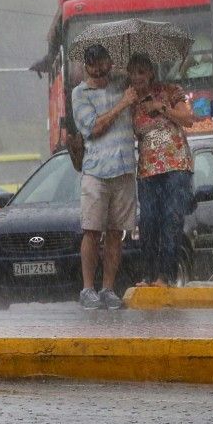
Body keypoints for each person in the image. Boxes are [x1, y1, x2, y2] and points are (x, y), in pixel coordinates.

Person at [71, 44, 138, 310]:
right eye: (93, 69)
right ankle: (88, 288)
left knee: (115, 232)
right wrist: (122, 104)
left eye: (103, 66)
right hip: (97, 170)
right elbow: (94, 127)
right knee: (91, 231)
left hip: (123, 169)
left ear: (110, 63)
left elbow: (143, 83)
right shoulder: (80, 94)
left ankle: (108, 288)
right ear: (86, 68)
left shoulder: (122, 82)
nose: (99, 73)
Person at [127, 53, 196, 287]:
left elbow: (188, 118)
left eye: (142, 72)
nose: (137, 77)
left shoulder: (169, 91)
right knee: (148, 221)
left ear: (151, 73)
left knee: (171, 219)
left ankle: (165, 275)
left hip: (176, 167)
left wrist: (162, 107)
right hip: (148, 171)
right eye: (133, 72)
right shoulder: (130, 102)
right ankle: (148, 274)